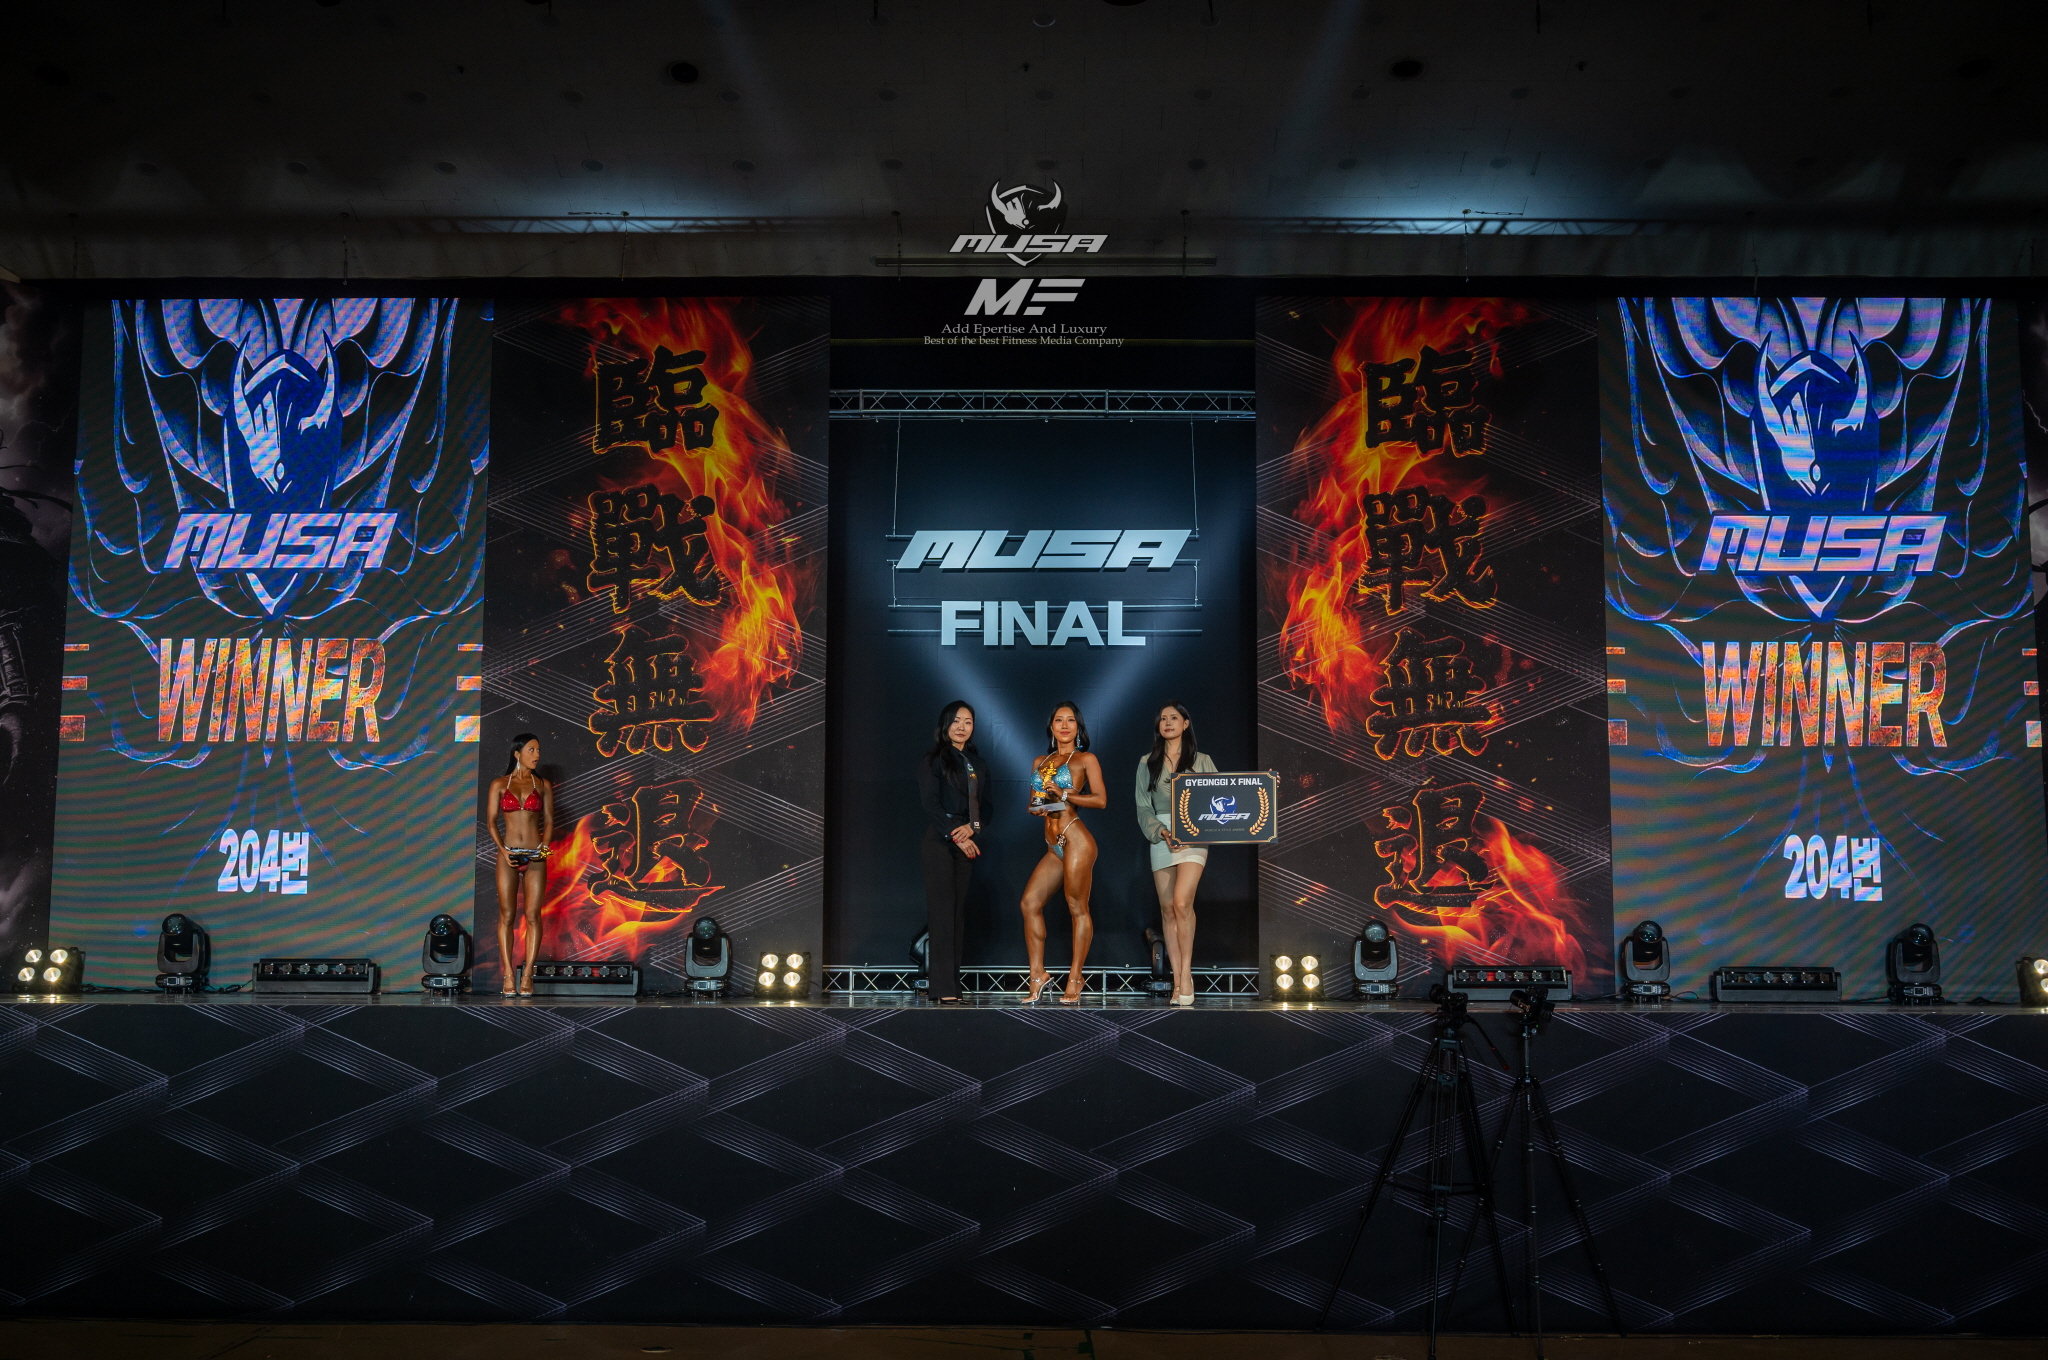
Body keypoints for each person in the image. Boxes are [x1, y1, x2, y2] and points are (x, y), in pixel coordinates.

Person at [1020, 701, 1107, 1004]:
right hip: (1052, 845)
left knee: (1076, 906)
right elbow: (1034, 802)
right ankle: (1037, 975)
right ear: (1052, 726)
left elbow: (1100, 800)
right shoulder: (1040, 761)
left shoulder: (1085, 759)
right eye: (1059, 720)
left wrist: (1066, 794)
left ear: (1078, 727)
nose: (1065, 725)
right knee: (1029, 903)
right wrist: (1038, 807)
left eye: (1071, 720)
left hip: (1076, 839)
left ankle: (1075, 977)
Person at [1136, 701, 1217, 1006]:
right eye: (1162, 719)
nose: (1167, 722)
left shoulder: (1202, 760)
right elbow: (1143, 808)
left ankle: (1185, 976)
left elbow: (1222, 796)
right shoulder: (1147, 762)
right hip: (1162, 834)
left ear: (1185, 723)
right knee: (1168, 908)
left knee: (1183, 902)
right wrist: (1162, 832)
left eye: (1174, 718)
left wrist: (1265, 785)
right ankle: (1177, 978)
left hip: (1194, 833)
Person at [916, 699, 984, 1004]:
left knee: (956, 915)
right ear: (946, 724)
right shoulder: (933, 759)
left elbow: (986, 807)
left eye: (968, 722)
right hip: (940, 841)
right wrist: (956, 834)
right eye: (956, 721)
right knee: (942, 914)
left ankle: (952, 988)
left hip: (966, 838)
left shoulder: (977, 764)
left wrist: (973, 829)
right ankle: (942, 989)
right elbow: (930, 805)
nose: (962, 727)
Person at [485, 733, 553, 997]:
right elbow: (491, 821)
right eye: (532, 750)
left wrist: (544, 850)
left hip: (536, 855)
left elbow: (549, 820)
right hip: (509, 854)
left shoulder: (543, 785)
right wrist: (502, 850)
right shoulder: (499, 784)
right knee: (507, 915)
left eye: (539, 750)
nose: (537, 755)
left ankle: (527, 976)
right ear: (517, 753)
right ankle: (507, 976)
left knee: (533, 915)